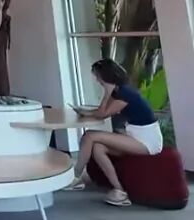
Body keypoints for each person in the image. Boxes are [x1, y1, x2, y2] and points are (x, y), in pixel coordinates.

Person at [64, 58, 164, 207]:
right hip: (135, 136)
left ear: (106, 75)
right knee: (98, 148)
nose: (97, 80)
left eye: (98, 76)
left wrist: (106, 93)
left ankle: (76, 177)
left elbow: (103, 114)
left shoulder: (125, 93)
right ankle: (120, 191)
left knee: (89, 136)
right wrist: (85, 112)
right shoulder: (119, 91)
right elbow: (102, 111)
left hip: (147, 141)